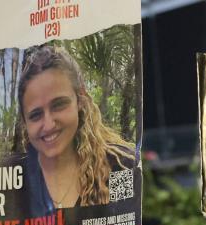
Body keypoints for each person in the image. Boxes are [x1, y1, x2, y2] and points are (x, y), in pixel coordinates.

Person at [16, 45, 135, 215]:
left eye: (59, 105)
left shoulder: (121, 166)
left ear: (80, 100)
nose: (49, 125)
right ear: (24, 121)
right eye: (36, 115)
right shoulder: (12, 176)